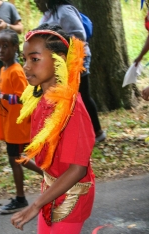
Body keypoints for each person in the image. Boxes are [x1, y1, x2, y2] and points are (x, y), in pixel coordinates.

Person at [11, 24, 149, 234]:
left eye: (35, 59)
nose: (26, 66)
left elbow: (77, 169)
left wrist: (34, 205)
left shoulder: (72, 107)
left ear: (59, 61)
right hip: (53, 188)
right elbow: (50, 157)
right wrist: (31, 161)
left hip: (72, 194)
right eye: (26, 59)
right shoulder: (40, 100)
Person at [0, 30, 43, 214]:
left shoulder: (17, 71)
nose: (0, 50)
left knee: (16, 160)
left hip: (18, 125)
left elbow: (25, 98)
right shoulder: (3, 69)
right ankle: (49, 176)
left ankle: (21, 198)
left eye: (5, 46)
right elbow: (7, 94)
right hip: (10, 124)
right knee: (18, 159)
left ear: (16, 48)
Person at [33, 0, 106, 143]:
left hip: (77, 59)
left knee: (82, 96)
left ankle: (97, 132)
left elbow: (79, 35)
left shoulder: (65, 11)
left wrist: (57, 41)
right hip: (60, 62)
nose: (36, 2)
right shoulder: (49, 14)